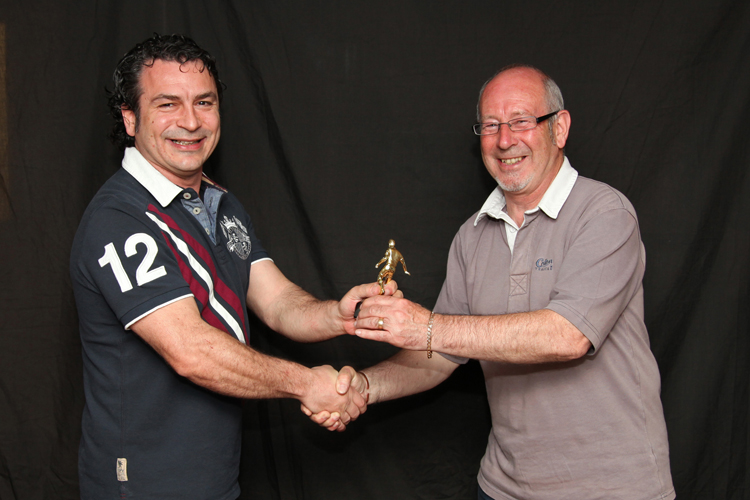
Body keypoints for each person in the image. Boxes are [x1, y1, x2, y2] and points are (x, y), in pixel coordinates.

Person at [308, 65, 675, 499]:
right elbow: (439, 356)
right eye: (490, 125)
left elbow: (567, 335)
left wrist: (427, 326)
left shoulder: (605, 213)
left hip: (612, 489)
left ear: (559, 128)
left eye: (521, 121)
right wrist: (364, 388)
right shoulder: (472, 235)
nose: (504, 140)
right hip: (502, 489)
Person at [70, 34, 394, 500]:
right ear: (130, 118)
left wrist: (339, 315)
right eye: (167, 104)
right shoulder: (119, 219)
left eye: (204, 102)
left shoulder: (219, 203)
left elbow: (277, 301)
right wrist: (308, 384)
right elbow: (191, 350)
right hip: (143, 486)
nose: (190, 121)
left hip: (215, 478)